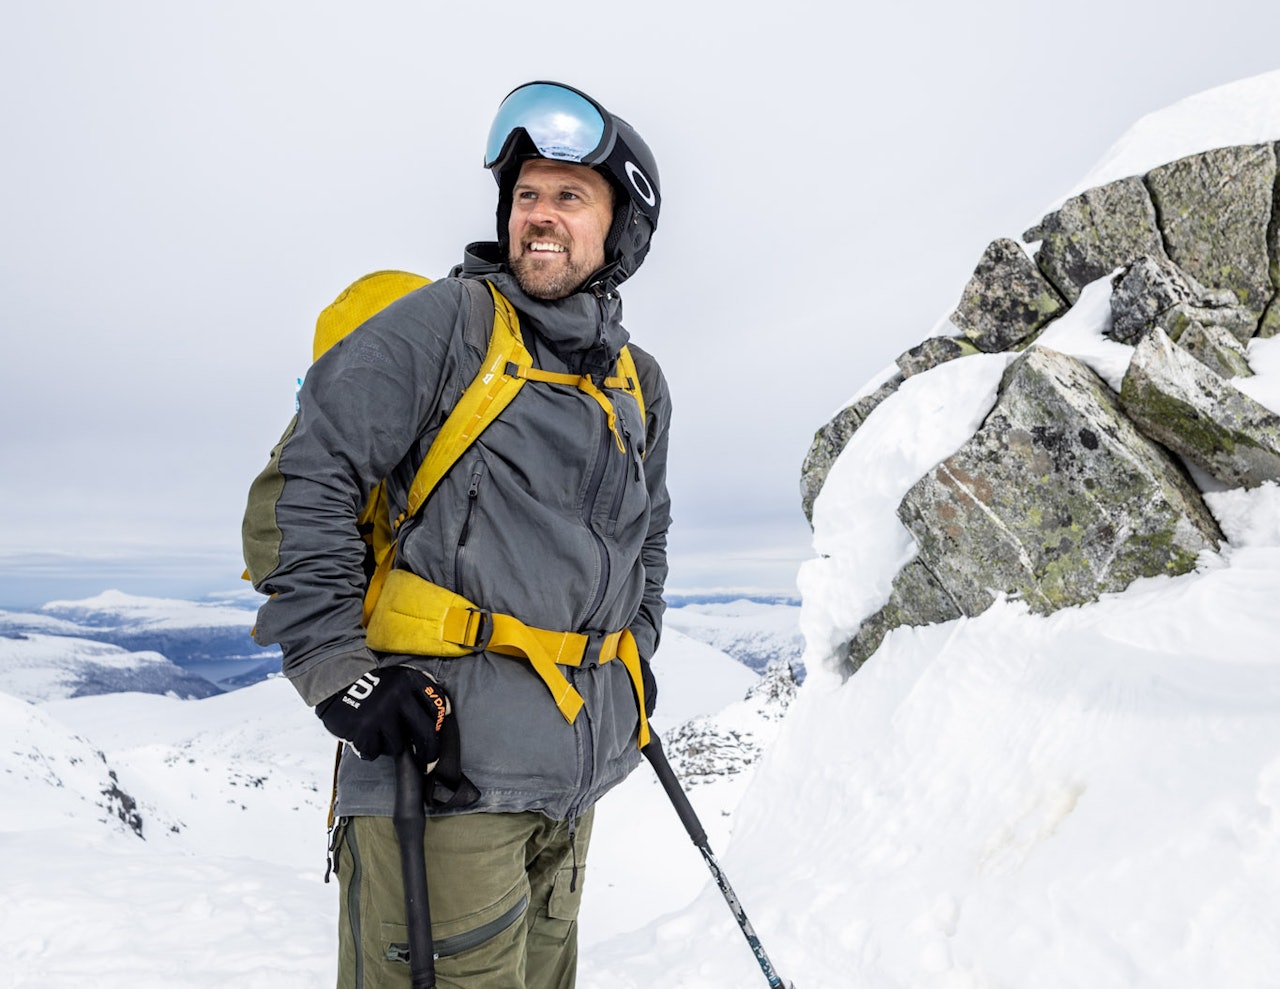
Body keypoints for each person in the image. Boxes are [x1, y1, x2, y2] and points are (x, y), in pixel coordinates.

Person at [242, 80, 672, 989]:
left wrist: (634, 660)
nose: (539, 217)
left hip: (570, 791)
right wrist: (342, 677)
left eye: (568, 195)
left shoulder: (640, 382)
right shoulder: (449, 326)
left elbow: (650, 535)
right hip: (439, 787)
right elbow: (310, 478)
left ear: (620, 229)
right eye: (525, 195)